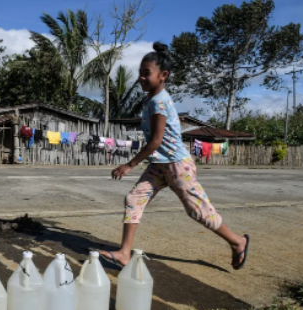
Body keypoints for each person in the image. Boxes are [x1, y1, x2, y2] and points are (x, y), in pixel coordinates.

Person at [99, 42, 249, 270]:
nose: (141, 78)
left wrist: (129, 165)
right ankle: (124, 253)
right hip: (159, 165)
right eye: (140, 73)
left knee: (198, 211)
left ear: (163, 76)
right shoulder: (151, 99)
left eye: (146, 73)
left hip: (177, 166)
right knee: (134, 199)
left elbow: (156, 142)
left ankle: (238, 242)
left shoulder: (159, 102)